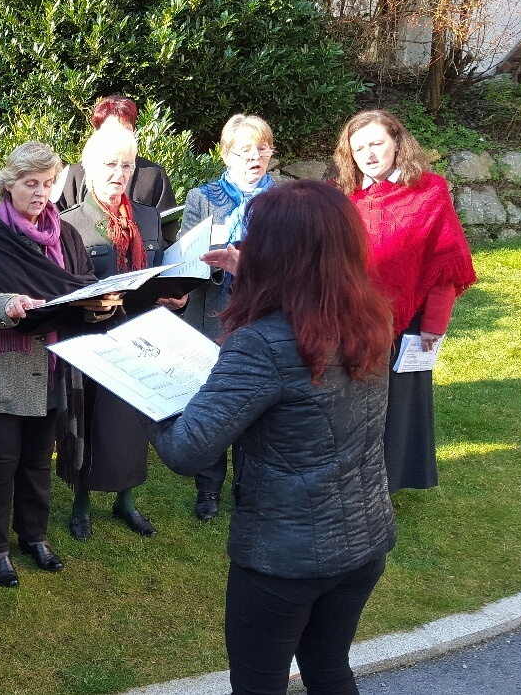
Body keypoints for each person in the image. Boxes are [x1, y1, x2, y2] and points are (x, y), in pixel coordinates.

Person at [148, 180, 397, 695]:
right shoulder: (372, 316)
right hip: (363, 537)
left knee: (258, 686)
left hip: (284, 557)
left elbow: (185, 449)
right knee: (329, 668)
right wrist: (254, 279)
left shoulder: (261, 345)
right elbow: (304, 324)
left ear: (275, 255)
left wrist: (144, 386)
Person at [0, 141, 118, 588]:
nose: (41, 193)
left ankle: (34, 536)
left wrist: (99, 306)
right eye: (31, 183)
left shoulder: (66, 235)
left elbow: (81, 287)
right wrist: (4, 306)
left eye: (48, 184)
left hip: (52, 366)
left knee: (38, 461)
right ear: (9, 185)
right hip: (1, 369)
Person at [333, 109, 477, 493]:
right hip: (349, 319)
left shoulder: (430, 191)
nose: (368, 154)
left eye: (376, 143)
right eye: (358, 147)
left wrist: (433, 326)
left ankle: (387, 484)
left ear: (397, 143)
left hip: (407, 320)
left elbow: (444, 266)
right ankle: (347, 481)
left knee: (398, 407)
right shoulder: (341, 194)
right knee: (348, 402)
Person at [58, 125, 185, 540]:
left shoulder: (148, 217)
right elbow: (61, 289)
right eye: (110, 164)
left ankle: (126, 501)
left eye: (126, 165)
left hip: (140, 336)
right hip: (92, 338)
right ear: (90, 168)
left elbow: (159, 271)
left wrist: (174, 295)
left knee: (133, 421)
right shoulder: (70, 223)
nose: (118, 173)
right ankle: (81, 504)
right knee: (90, 423)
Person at [178, 113, 276, 521]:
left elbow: (298, 260)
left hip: (265, 315)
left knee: (257, 401)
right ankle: (208, 490)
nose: (255, 157)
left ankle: (249, 489)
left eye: (262, 148)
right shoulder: (203, 197)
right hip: (213, 313)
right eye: (244, 151)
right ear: (226, 155)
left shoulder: (287, 199)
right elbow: (186, 257)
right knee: (214, 401)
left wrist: (251, 264)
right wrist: (213, 262)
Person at [55, 96, 176, 237]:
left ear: (134, 132)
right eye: (112, 131)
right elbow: (55, 227)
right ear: (97, 133)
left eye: (126, 130)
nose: (120, 137)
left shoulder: (153, 175)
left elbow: (166, 233)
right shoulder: (74, 175)